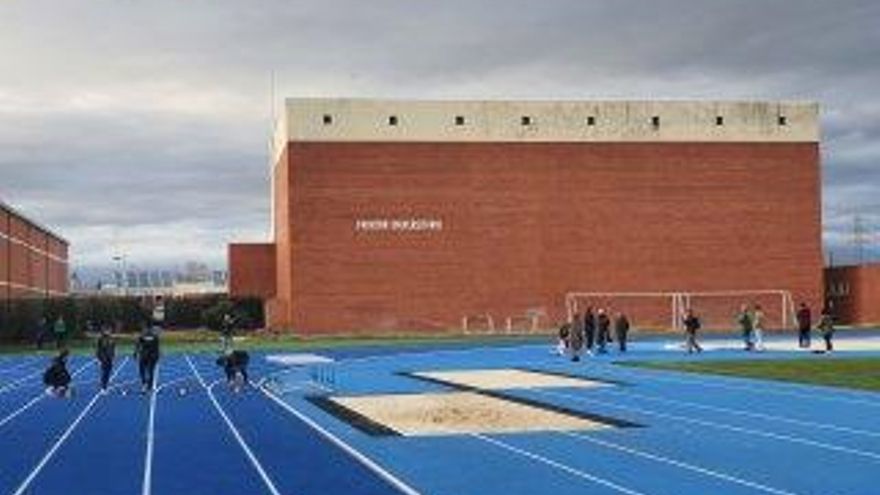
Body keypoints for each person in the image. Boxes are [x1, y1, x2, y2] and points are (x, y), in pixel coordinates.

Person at [134, 326, 161, 392]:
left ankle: (148, 385)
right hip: (146, 356)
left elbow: (156, 348)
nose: (144, 331)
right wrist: (135, 352)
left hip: (148, 356)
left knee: (148, 371)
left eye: (145, 329)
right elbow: (138, 345)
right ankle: (147, 385)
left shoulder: (152, 337)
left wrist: (135, 352)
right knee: (146, 371)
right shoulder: (152, 337)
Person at [95, 327, 116, 392]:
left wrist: (113, 357)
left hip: (110, 358)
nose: (109, 332)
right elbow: (98, 349)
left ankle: (105, 385)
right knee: (104, 372)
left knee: (108, 372)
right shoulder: (101, 339)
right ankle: (103, 387)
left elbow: (113, 349)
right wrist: (98, 359)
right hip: (104, 358)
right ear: (104, 331)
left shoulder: (112, 339)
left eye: (109, 330)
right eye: (107, 330)